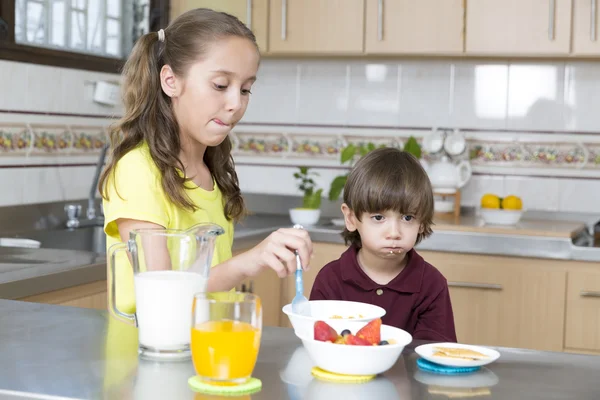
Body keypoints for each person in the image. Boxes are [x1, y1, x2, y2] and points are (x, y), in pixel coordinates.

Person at [99, 8, 312, 317]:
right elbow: (161, 295)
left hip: (203, 347)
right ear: (171, 81)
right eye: (220, 85)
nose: (236, 104)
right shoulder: (137, 170)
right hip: (146, 355)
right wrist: (250, 260)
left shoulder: (211, 172)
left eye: (246, 89)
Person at [310, 147, 457, 342]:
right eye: (378, 217)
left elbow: (433, 354)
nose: (394, 233)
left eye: (407, 217)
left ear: (421, 222)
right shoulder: (330, 280)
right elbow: (316, 343)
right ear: (351, 218)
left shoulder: (432, 284)